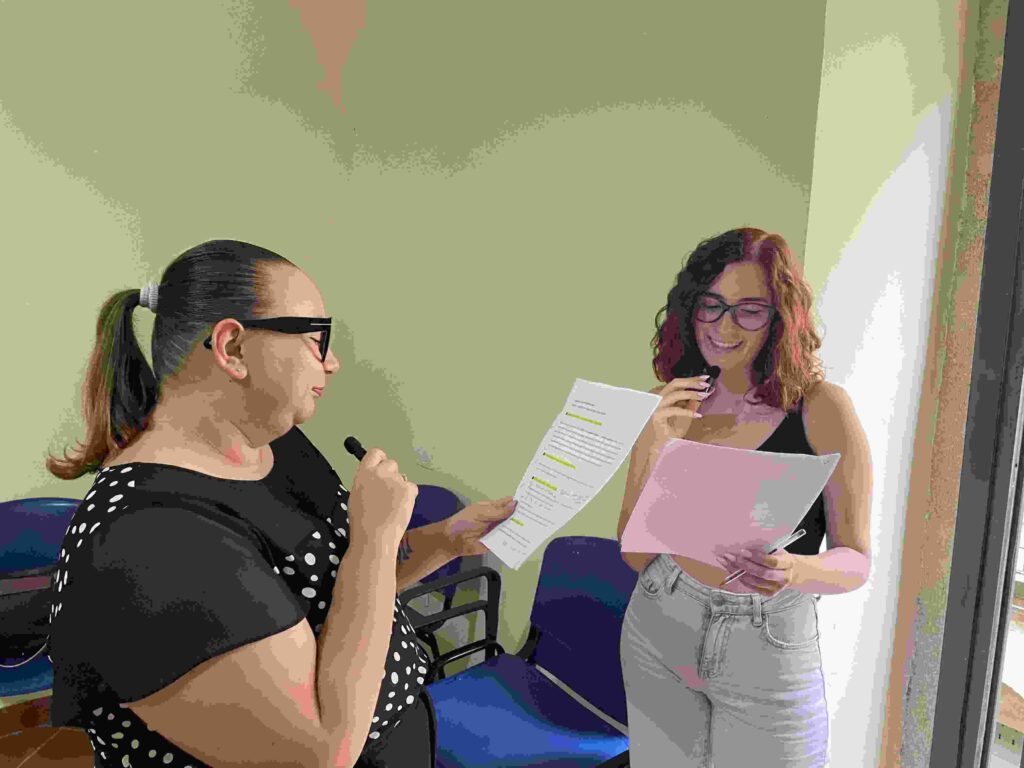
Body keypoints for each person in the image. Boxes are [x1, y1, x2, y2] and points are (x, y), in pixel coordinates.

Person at [44, 239, 516, 768]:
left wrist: (446, 541)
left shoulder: (276, 443)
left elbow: (337, 587)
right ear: (233, 348)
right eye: (316, 338)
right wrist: (375, 539)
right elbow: (320, 752)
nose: (332, 362)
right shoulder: (147, 539)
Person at [617, 228, 872, 766]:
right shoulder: (668, 403)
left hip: (769, 642)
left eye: (749, 310)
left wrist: (795, 571)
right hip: (660, 621)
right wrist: (652, 444)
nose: (724, 327)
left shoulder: (821, 408)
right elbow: (635, 554)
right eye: (710, 305)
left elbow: (856, 562)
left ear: (780, 318)